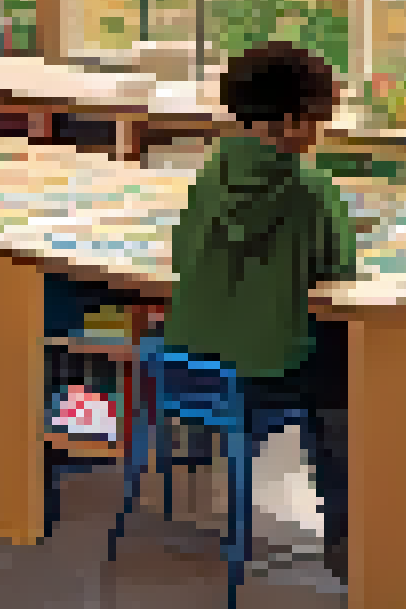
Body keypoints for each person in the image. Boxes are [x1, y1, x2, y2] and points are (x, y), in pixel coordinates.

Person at [160, 41, 355, 584]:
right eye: (319, 120)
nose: (320, 133)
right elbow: (338, 271)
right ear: (293, 120)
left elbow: (182, 255)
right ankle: (350, 533)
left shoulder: (208, 178)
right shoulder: (309, 190)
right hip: (264, 373)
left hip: (191, 371)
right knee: (352, 375)